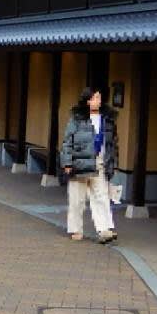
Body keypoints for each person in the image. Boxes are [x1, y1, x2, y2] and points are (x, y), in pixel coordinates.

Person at [60, 87, 118, 244]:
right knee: (77, 199)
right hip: (79, 163)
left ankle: (104, 229)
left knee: (102, 196)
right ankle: (75, 229)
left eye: (99, 97)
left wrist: (112, 162)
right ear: (87, 101)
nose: (97, 101)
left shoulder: (107, 120)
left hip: (100, 162)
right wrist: (67, 162)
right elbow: (67, 141)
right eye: (94, 98)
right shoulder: (77, 119)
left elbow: (112, 144)